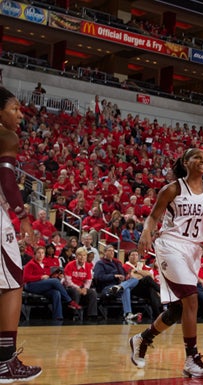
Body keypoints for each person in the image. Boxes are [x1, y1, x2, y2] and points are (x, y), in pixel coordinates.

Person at [130, 148, 203, 378]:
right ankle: (191, 358)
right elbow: (153, 216)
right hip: (170, 245)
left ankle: (142, 339)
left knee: (178, 309)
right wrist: (146, 232)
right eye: (197, 157)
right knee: (191, 298)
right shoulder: (173, 188)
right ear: (186, 162)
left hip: (194, 250)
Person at [0, 86, 42, 383]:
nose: (20, 114)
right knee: (13, 284)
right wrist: (23, 217)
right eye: (15, 108)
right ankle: (5, 361)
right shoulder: (7, 136)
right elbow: (6, 178)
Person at [23, 246, 82, 320]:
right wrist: (40, 277)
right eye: (39, 253)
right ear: (34, 254)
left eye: (42, 253)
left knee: (56, 292)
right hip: (31, 285)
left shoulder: (45, 265)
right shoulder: (30, 264)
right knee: (55, 281)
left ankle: (58, 316)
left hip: (42, 285)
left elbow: (47, 277)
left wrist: (55, 275)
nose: (41, 255)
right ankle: (69, 301)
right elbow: (25, 278)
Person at [93, 244, 142, 323]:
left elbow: (124, 275)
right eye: (110, 251)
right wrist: (114, 276)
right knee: (126, 289)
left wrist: (125, 277)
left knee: (135, 280)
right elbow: (98, 277)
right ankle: (128, 313)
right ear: (105, 252)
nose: (112, 252)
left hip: (119, 286)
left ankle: (127, 313)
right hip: (107, 288)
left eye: (113, 251)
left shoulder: (117, 263)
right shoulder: (100, 263)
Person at [63, 246, 99, 321]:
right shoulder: (70, 265)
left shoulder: (88, 266)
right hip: (69, 288)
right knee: (75, 292)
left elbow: (89, 280)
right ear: (76, 256)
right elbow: (68, 281)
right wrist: (78, 288)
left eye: (84, 255)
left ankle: (92, 315)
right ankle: (75, 314)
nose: (82, 257)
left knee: (92, 293)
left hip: (82, 287)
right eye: (80, 255)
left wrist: (85, 288)